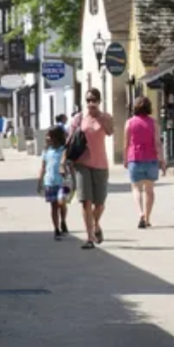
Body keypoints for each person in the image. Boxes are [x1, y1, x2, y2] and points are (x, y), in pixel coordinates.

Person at [70, 87, 114, 249]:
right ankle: (89, 237)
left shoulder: (105, 117)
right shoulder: (79, 118)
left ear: (99, 101)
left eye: (94, 100)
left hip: (101, 164)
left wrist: (100, 117)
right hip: (82, 164)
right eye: (88, 100)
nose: (90, 103)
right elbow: (70, 140)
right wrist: (65, 161)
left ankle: (96, 224)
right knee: (85, 202)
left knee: (100, 203)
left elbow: (110, 132)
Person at [123, 96, 167, 229]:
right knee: (149, 190)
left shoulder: (129, 123)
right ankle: (147, 218)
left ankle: (140, 213)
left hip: (135, 157)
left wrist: (125, 159)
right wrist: (162, 160)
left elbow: (126, 143)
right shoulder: (154, 123)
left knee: (136, 188)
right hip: (151, 158)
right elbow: (158, 143)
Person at [37, 126, 72, 240]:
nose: (47, 138)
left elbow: (71, 165)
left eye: (50, 136)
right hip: (50, 181)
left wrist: (74, 180)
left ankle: (63, 221)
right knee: (54, 206)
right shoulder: (46, 151)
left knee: (62, 203)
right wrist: (39, 181)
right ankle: (56, 229)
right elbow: (42, 167)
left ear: (56, 137)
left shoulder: (64, 150)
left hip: (63, 182)